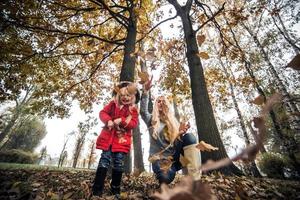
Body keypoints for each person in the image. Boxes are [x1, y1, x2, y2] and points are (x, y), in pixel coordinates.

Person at [140, 80, 201, 184]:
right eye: (158, 101)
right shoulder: (151, 120)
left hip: (175, 156)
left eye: (163, 101)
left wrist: (181, 133)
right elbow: (143, 111)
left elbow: (177, 142)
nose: (161, 103)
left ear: (167, 105)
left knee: (190, 137)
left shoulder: (174, 122)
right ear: (155, 105)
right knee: (165, 178)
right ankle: (165, 173)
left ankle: (195, 181)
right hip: (160, 160)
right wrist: (145, 91)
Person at [92, 81, 140, 197]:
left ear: (133, 97)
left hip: (121, 140)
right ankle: (97, 189)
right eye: (122, 95)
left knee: (118, 163)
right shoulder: (112, 105)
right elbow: (102, 113)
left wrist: (121, 121)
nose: (125, 98)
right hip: (108, 139)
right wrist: (108, 120)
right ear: (118, 96)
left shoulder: (133, 111)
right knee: (104, 160)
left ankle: (115, 189)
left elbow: (133, 124)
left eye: (128, 95)